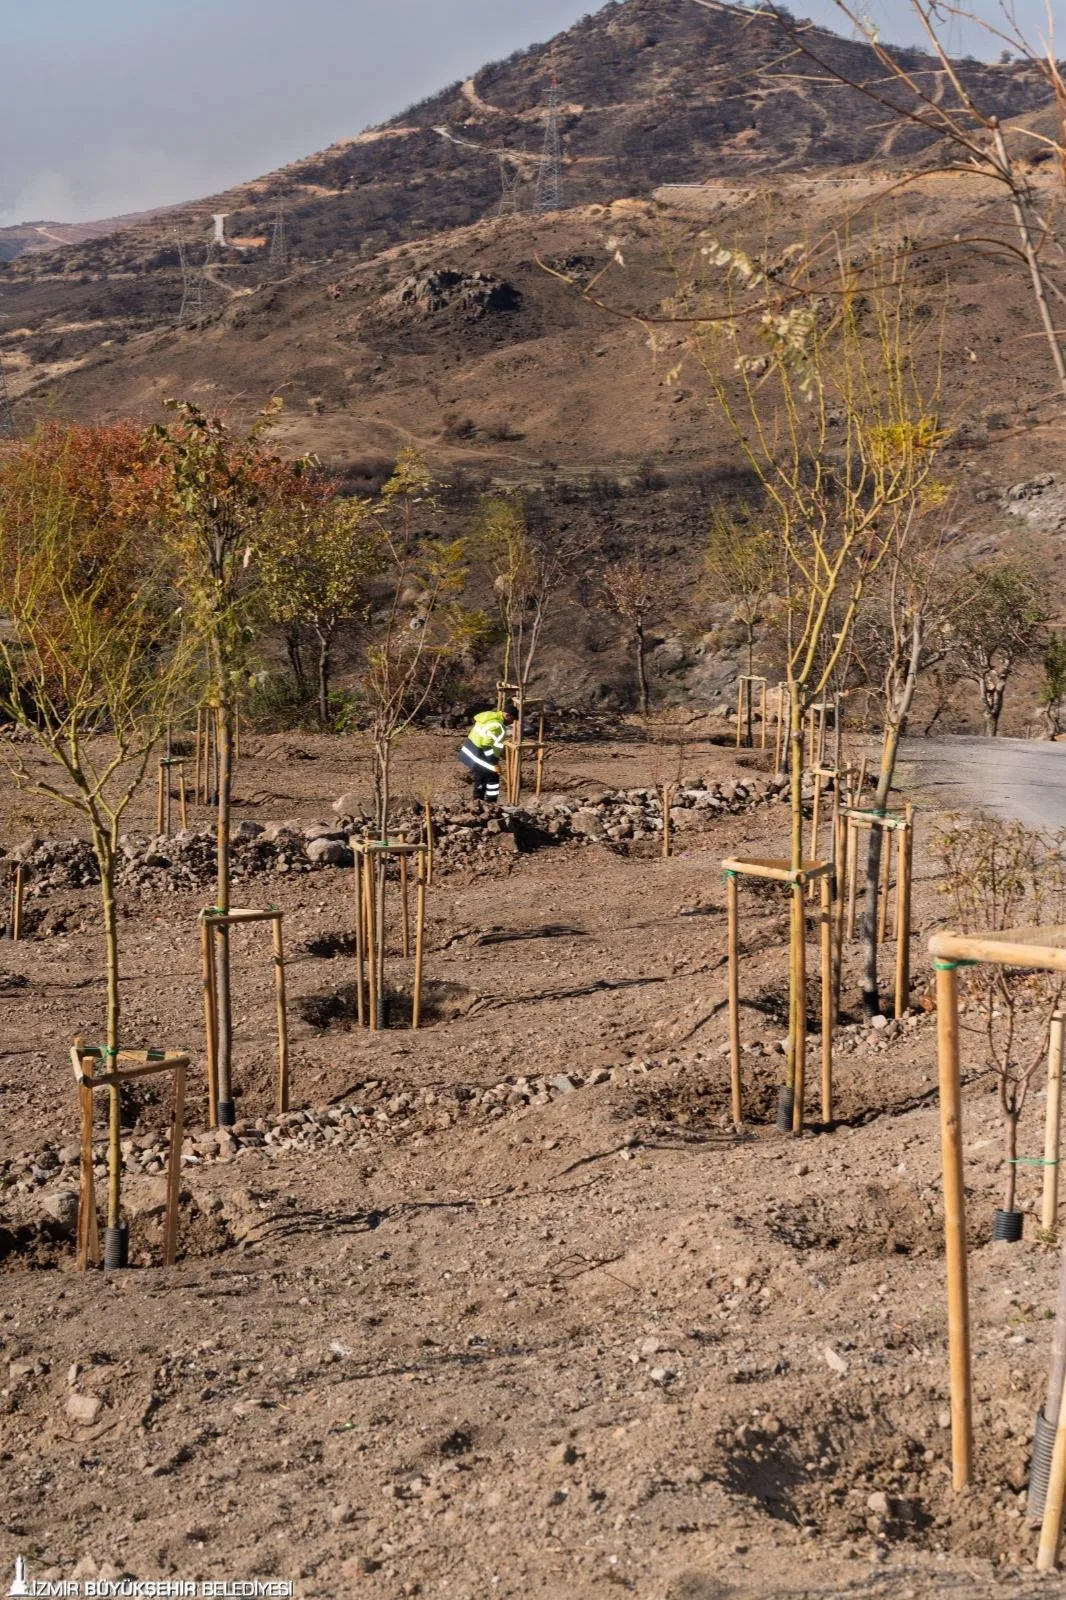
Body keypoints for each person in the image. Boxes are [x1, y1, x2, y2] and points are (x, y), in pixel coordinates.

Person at [458, 701, 518, 802]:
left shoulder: (491, 716)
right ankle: (486, 804)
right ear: (507, 715)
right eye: (513, 719)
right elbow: (486, 744)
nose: (512, 722)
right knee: (489, 776)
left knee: (487, 776)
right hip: (477, 753)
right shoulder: (496, 725)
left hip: (470, 749)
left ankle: (481, 803)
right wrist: (493, 763)